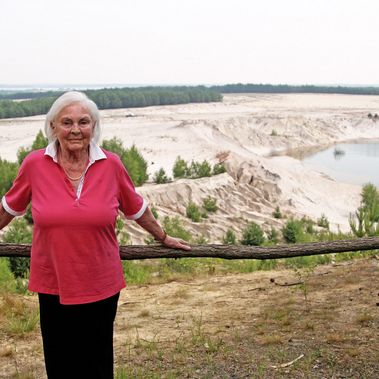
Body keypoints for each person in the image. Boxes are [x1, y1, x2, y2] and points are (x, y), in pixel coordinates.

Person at [0, 91, 191, 379]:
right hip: (54, 281)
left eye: (83, 122)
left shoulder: (111, 164)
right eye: (67, 122)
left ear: (94, 126)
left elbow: (136, 207)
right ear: (53, 127)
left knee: (98, 362)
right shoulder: (35, 164)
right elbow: (9, 207)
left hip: (101, 282)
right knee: (60, 362)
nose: (75, 129)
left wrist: (163, 237)